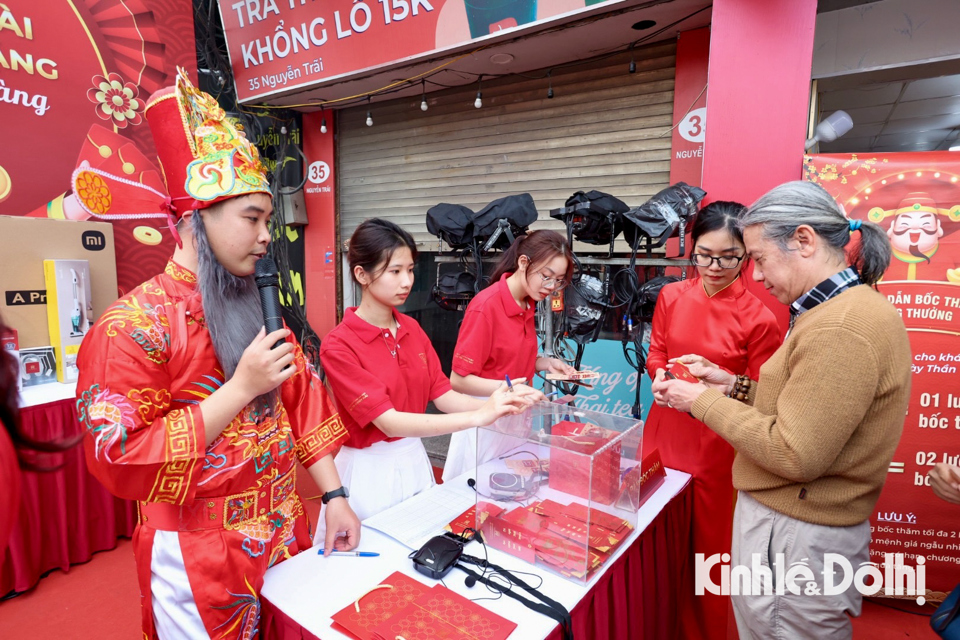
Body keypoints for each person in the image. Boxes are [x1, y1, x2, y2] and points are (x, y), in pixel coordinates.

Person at [75, 70, 360, 640]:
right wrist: (238, 389)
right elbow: (118, 454)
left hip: (285, 530)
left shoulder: (257, 303)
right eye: (251, 219)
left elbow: (301, 401)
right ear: (194, 222)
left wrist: (334, 496)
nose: (264, 238)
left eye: (268, 222)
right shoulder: (132, 325)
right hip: (197, 555)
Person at [655, 181, 911, 640]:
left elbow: (794, 452)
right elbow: (801, 407)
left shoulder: (842, 326)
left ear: (805, 241)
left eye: (756, 258)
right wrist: (733, 384)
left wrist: (701, 400)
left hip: (798, 535)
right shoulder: (830, 312)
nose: (754, 275)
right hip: (794, 527)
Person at [319, 219, 540, 521]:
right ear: (362, 274)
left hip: (414, 460)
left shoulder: (411, 328)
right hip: (368, 474)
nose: (407, 281)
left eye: (410, 270)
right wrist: (478, 416)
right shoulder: (338, 345)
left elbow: (443, 395)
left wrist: (499, 405)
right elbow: (390, 423)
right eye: (394, 271)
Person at [645, 201, 782, 640]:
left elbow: (763, 394)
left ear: (747, 255)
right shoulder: (671, 295)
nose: (715, 266)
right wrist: (661, 378)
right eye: (704, 254)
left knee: (710, 550)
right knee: (656, 540)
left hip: (718, 445)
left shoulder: (759, 318)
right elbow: (657, 354)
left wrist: (713, 388)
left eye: (729, 257)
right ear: (691, 247)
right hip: (665, 429)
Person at [442, 230, 577, 482]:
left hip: (515, 416)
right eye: (546, 277)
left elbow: (509, 359)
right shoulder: (486, 306)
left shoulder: (528, 302)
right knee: (477, 495)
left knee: (513, 488)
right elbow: (458, 380)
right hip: (484, 418)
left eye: (558, 280)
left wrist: (545, 364)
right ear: (523, 262)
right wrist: (510, 390)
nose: (551, 287)